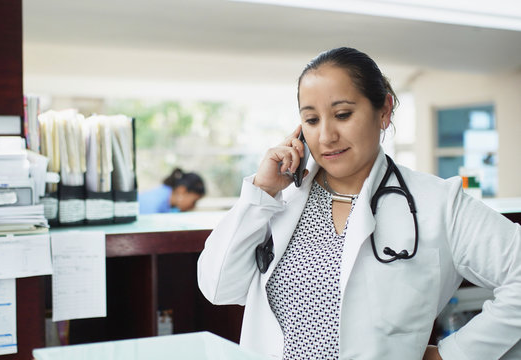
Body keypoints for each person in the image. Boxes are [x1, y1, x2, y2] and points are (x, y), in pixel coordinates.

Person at [197, 47, 521, 360]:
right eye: (311, 120)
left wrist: (455, 354)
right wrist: (262, 192)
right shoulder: (278, 200)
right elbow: (218, 287)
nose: (326, 136)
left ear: (384, 111)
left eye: (342, 114)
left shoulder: (438, 204)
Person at [138, 168, 205, 213]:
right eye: (194, 202)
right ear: (182, 190)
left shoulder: (170, 206)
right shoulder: (154, 204)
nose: (193, 207)